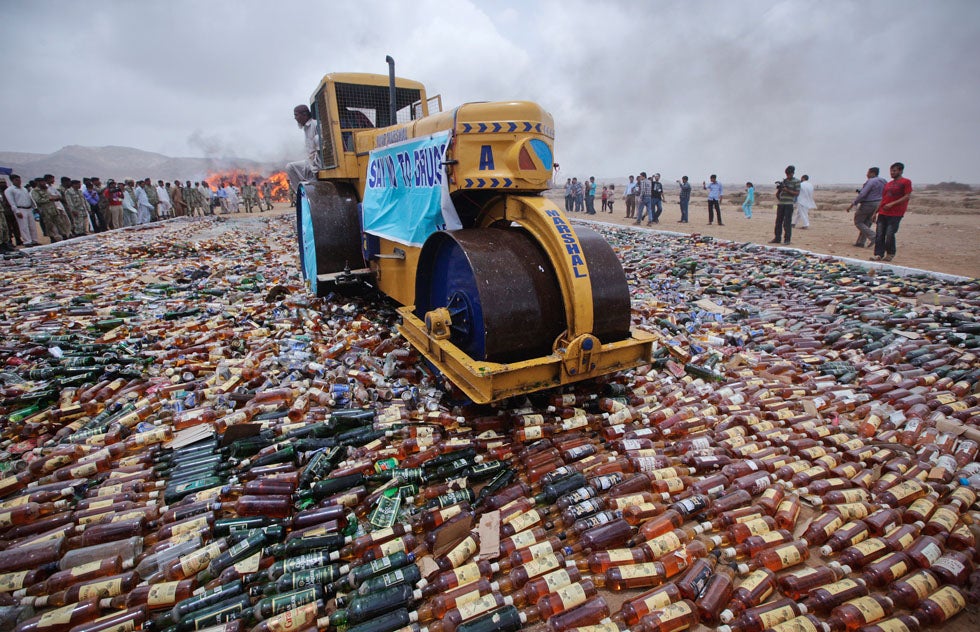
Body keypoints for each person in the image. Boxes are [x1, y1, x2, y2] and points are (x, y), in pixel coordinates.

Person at [871, 162, 912, 262]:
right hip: (883, 212)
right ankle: (878, 254)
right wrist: (875, 212)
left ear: (900, 171)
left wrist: (892, 204)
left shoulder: (905, 182)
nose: (892, 173)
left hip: (895, 213)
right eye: (891, 171)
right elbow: (883, 199)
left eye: (894, 171)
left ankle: (890, 253)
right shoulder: (888, 184)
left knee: (890, 233)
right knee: (880, 234)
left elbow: (907, 196)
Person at [846, 167, 885, 248]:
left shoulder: (871, 181)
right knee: (867, 223)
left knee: (858, 222)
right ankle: (860, 242)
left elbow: (863, 194)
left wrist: (853, 204)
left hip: (868, 204)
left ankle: (873, 236)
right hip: (878, 203)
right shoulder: (883, 181)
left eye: (868, 172)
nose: (867, 174)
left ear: (872, 173)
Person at [286, 104, 321, 190]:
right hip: (310, 162)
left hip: (318, 162)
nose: (295, 118)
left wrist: (315, 168)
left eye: (296, 115)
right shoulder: (306, 128)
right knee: (290, 167)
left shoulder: (316, 125)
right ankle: (300, 193)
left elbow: (320, 147)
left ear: (304, 114)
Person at [4, 174, 39, 246]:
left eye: (19, 180)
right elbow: (11, 202)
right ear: (12, 181)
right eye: (16, 180)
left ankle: (34, 240)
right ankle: (27, 241)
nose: (19, 181)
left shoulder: (24, 189)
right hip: (20, 209)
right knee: (24, 226)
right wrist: (16, 211)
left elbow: (29, 198)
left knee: (32, 226)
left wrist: (34, 207)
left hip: (29, 208)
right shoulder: (9, 190)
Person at [32, 177, 70, 242]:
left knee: (60, 222)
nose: (44, 183)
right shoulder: (35, 191)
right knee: (49, 225)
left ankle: (64, 235)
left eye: (44, 182)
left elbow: (52, 196)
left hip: (53, 209)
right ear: (38, 183)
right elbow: (38, 200)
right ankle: (52, 237)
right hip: (45, 211)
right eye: (42, 182)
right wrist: (49, 199)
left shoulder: (46, 189)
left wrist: (55, 197)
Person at [770, 166, 800, 245]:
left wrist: (787, 190)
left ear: (793, 173)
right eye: (786, 174)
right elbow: (778, 194)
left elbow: (797, 193)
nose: (787, 176)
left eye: (789, 174)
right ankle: (777, 238)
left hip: (789, 205)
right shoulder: (784, 181)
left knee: (787, 222)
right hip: (781, 204)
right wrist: (780, 195)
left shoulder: (796, 181)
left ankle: (787, 239)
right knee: (778, 222)